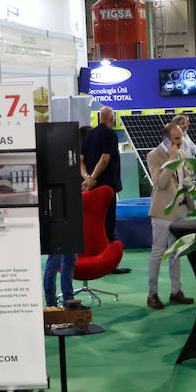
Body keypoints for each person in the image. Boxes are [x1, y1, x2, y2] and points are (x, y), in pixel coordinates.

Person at [145, 122, 196, 310]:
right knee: (158, 252)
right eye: (177, 138)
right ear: (166, 138)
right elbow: (160, 182)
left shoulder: (182, 153)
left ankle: (176, 292)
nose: (180, 141)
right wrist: (171, 160)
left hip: (182, 209)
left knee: (177, 251)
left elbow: (185, 179)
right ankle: (152, 295)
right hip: (163, 211)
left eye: (181, 137)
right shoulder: (154, 155)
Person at [81, 106, 131, 274]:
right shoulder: (110, 134)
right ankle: (110, 264)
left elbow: (81, 159)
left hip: (90, 189)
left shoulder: (89, 135)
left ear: (99, 117)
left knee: (95, 223)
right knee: (108, 224)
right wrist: (93, 178)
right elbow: (105, 159)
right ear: (112, 118)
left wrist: (87, 178)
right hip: (105, 188)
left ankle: (97, 257)